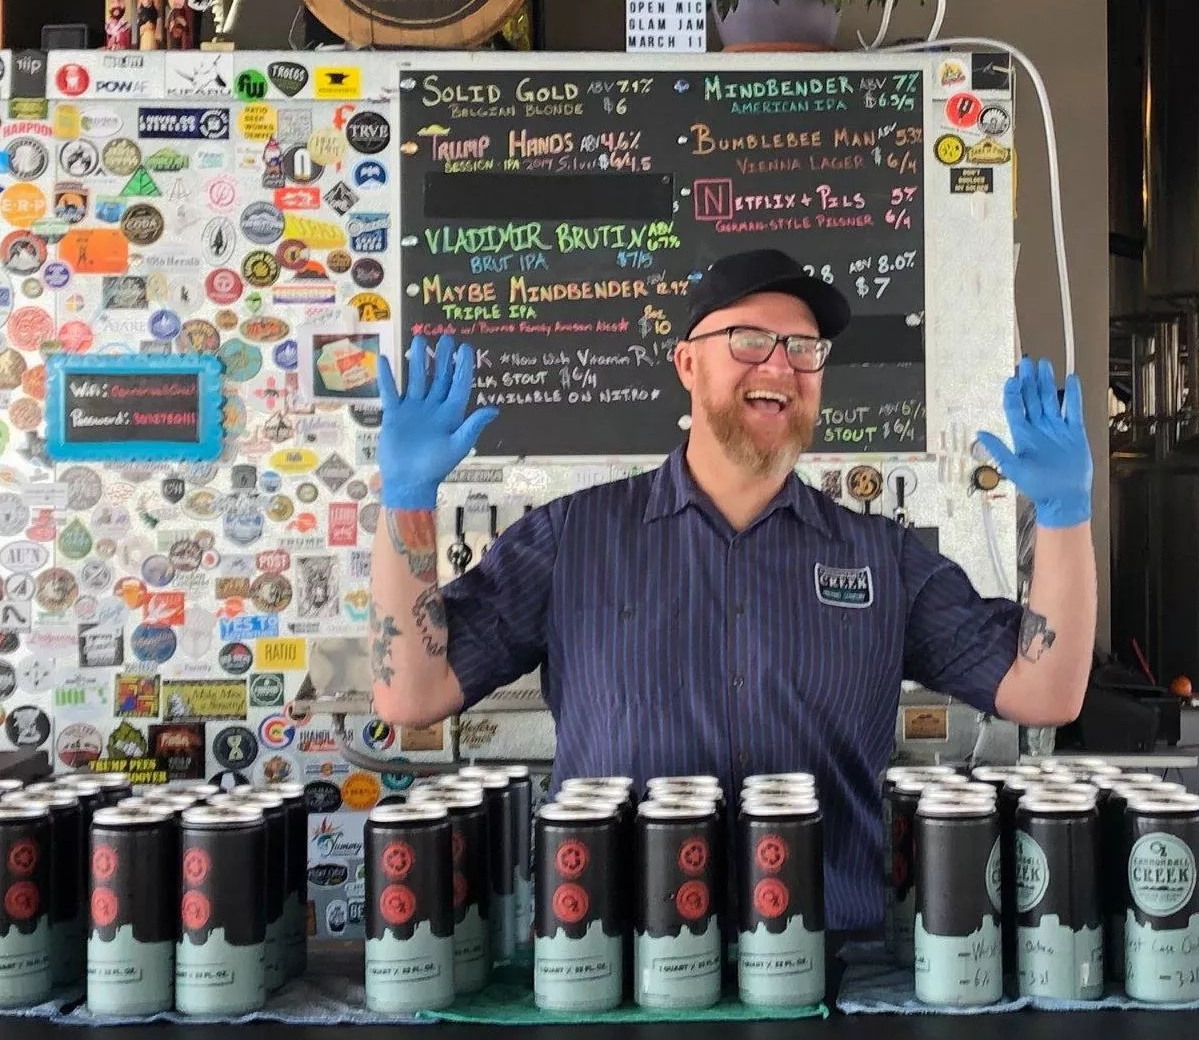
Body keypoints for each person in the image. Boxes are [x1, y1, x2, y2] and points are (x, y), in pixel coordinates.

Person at [368, 248, 1098, 933]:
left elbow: (1045, 693)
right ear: (687, 362)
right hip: (617, 963)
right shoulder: (571, 540)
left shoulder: (883, 559)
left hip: (827, 963)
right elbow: (411, 694)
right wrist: (406, 498)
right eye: (749, 341)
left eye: (803, 348)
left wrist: (1065, 513)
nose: (780, 365)